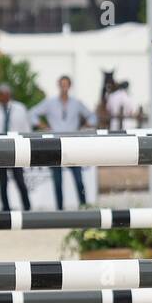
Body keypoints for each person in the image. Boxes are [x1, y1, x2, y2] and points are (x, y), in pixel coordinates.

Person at [29, 75, 97, 209]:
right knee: (58, 181)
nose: (64, 88)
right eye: (62, 85)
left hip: (72, 144)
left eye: (66, 85)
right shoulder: (50, 103)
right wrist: (42, 126)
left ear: (69, 86)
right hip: (55, 144)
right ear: (58, 85)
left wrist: (86, 126)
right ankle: (60, 210)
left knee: (78, 180)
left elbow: (92, 116)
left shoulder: (76, 103)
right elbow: (32, 113)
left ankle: (84, 208)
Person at [0, 83, 32, 210]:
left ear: (9, 94)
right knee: (2, 182)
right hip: (0, 149)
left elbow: (26, 129)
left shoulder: (20, 108)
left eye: (4, 94)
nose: (1, 97)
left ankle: (27, 207)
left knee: (20, 180)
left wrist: (26, 147)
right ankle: (5, 209)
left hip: (17, 147)